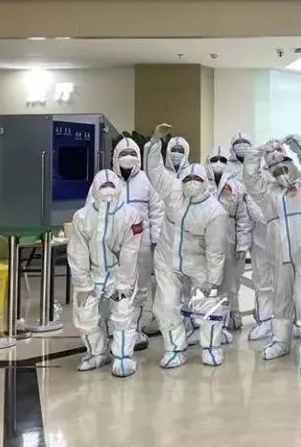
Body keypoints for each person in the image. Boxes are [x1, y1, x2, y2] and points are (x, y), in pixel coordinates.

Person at [244, 135, 301, 370]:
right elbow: (250, 178)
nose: (280, 173)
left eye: (283, 166)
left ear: (291, 163)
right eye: (274, 170)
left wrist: (294, 141)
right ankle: (280, 341)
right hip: (281, 254)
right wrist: (259, 150)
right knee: (280, 297)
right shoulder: (269, 193)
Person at [146, 124, 229, 368]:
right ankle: (174, 349)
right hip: (167, 258)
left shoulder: (215, 212)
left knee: (207, 303)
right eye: (187, 178)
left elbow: (215, 251)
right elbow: (154, 170)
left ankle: (211, 347)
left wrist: (213, 280)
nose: (191, 182)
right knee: (166, 306)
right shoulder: (173, 190)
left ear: (205, 182)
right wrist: (155, 141)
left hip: (199, 262)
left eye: (197, 179)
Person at [85, 137, 164, 345]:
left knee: (139, 289)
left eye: (132, 154)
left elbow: (157, 211)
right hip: (111, 247)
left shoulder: (146, 181)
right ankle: (114, 329)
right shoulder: (106, 180)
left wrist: (156, 241)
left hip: (141, 245)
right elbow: (90, 210)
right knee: (111, 288)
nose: (128, 158)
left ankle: (134, 331)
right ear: (115, 157)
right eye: (123, 154)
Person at [69, 170, 144, 377]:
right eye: (103, 186)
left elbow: (130, 251)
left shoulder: (131, 215)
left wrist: (124, 284)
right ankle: (96, 353)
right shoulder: (82, 217)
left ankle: (123, 357)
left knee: (123, 314)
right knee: (84, 315)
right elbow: (77, 251)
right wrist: (83, 283)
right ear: (94, 189)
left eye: (112, 186)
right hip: (93, 275)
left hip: (118, 276)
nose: (108, 191)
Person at [225, 132, 274, 342]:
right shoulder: (226, 170)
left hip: (269, 230)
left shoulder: (265, 172)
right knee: (254, 276)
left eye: (245, 143)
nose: (241, 146)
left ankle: (272, 317)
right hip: (243, 229)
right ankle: (241, 315)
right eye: (237, 143)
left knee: (274, 277)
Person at [206, 146, 253, 331]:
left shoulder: (237, 187)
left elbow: (243, 218)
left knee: (231, 280)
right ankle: (208, 317)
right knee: (207, 280)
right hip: (206, 238)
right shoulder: (201, 184)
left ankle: (233, 313)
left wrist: (242, 245)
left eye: (223, 160)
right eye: (214, 159)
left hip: (229, 237)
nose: (218, 163)